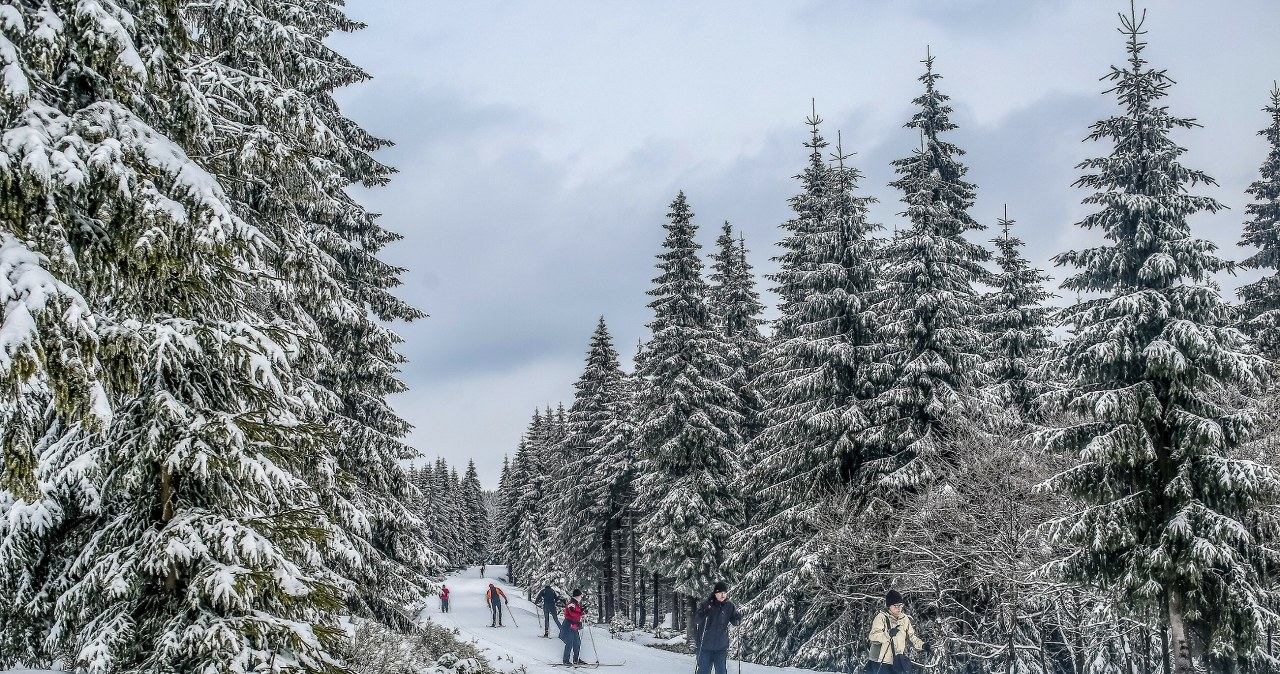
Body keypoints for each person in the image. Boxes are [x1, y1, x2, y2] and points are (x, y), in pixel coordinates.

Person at [867, 590, 930, 674]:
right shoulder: (881, 617)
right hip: (880, 661)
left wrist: (922, 645)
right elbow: (873, 636)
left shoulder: (904, 619)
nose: (899, 608)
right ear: (889, 606)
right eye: (895, 605)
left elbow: (911, 637)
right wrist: (888, 634)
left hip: (897, 661)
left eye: (900, 605)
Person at [693, 581, 742, 674]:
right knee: (703, 671)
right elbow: (696, 620)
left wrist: (738, 619)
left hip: (721, 647)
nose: (723, 595)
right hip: (705, 646)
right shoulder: (706, 604)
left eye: (724, 593)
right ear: (715, 593)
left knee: (721, 671)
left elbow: (735, 622)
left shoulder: (729, 606)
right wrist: (703, 613)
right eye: (720, 593)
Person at [559, 588, 588, 665]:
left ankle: (576, 659)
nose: (581, 597)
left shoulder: (576, 604)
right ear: (577, 596)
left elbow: (577, 612)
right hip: (568, 625)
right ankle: (566, 661)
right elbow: (572, 614)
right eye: (580, 596)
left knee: (577, 643)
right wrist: (581, 611)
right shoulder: (571, 604)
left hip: (574, 626)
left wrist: (582, 612)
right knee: (569, 642)